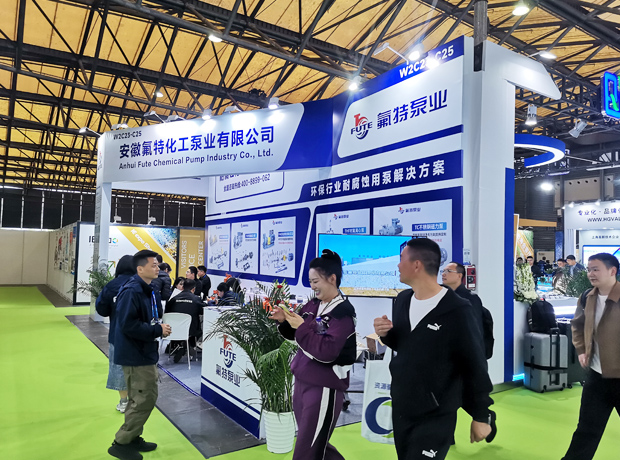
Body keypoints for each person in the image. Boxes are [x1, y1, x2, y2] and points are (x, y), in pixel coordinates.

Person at [373, 238, 494, 460]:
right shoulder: (403, 300)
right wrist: (386, 334)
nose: (398, 265)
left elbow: (474, 363)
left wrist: (481, 414)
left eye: (401, 259)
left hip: (436, 413)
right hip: (402, 405)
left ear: (416, 265)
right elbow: (406, 345)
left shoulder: (458, 309)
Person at [270, 249, 356, 460]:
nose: (312, 286)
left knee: (307, 450)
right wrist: (284, 321)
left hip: (324, 387)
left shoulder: (343, 313)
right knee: (316, 445)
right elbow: (299, 337)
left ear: (332, 279)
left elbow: (326, 351)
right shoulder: (313, 305)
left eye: (316, 281)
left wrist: (301, 327)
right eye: (310, 281)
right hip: (302, 382)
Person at [108, 250, 172, 460]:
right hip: (136, 354)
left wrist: (157, 327)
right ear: (140, 269)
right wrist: (156, 330)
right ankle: (121, 443)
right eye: (153, 265)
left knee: (141, 398)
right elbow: (128, 325)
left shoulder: (147, 289)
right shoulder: (132, 291)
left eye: (157, 265)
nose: (157, 268)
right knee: (143, 399)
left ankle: (133, 437)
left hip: (144, 351)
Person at [562, 253, 620, 460]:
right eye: (589, 269)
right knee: (586, 430)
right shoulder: (587, 296)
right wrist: (581, 349)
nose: (590, 274)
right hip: (596, 377)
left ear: (612, 271)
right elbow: (577, 325)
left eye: (596, 269)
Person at [95, 255, 136, 413]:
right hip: (140, 335)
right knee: (139, 368)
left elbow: (101, 309)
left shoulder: (111, 285)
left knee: (119, 368)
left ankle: (124, 401)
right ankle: (138, 400)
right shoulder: (142, 285)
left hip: (117, 334)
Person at [441, 261, 494, 359]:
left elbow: (475, 329)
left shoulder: (470, 299)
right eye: (443, 271)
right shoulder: (443, 296)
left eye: (448, 271)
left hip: (466, 353)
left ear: (459, 276)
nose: (443, 274)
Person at [165, 278, 204, 363]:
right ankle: (187, 345)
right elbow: (203, 311)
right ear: (193, 289)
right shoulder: (196, 299)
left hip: (173, 329)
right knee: (199, 326)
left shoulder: (173, 299)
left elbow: (166, 313)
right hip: (191, 330)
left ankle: (181, 345)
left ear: (182, 287)